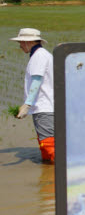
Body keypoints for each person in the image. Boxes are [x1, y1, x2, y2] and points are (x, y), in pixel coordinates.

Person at [12, 28, 55, 163]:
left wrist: (27, 104)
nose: (19, 45)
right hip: (45, 106)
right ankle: (48, 172)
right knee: (44, 143)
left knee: (48, 143)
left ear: (28, 42)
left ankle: (65, 174)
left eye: (20, 42)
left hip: (44, 106)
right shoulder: (40, 54)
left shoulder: (39, 56)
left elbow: (37, 79)